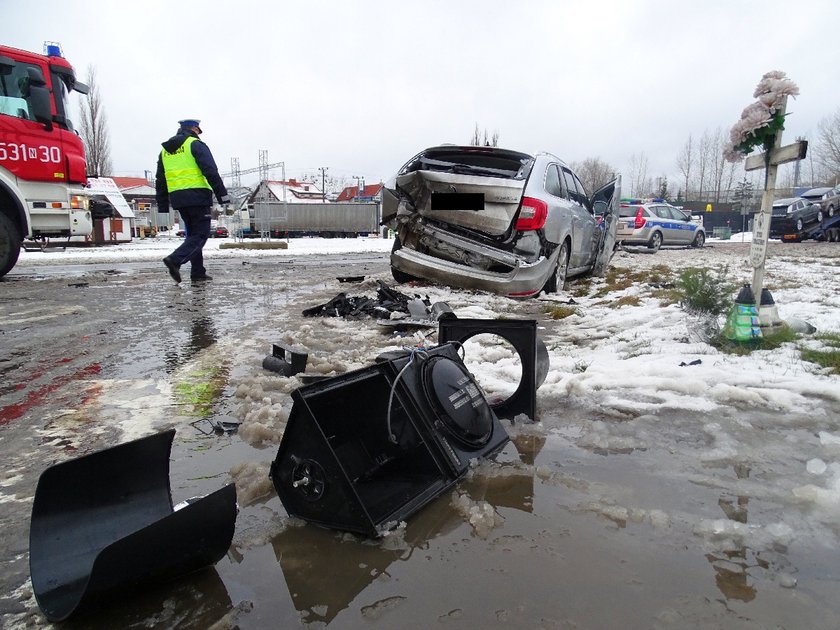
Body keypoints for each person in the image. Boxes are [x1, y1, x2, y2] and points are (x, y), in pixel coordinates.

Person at [156, 118, 229, 283]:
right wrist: (222, 196)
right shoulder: (195, 145)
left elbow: (160, 179)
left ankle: (197, 272)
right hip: (197, 196)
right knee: (201, 234)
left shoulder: (165, 151)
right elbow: (211, 171)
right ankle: (175, 259)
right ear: (194, 129)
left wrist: (162, 205)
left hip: (178, 199)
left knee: (192, 235)